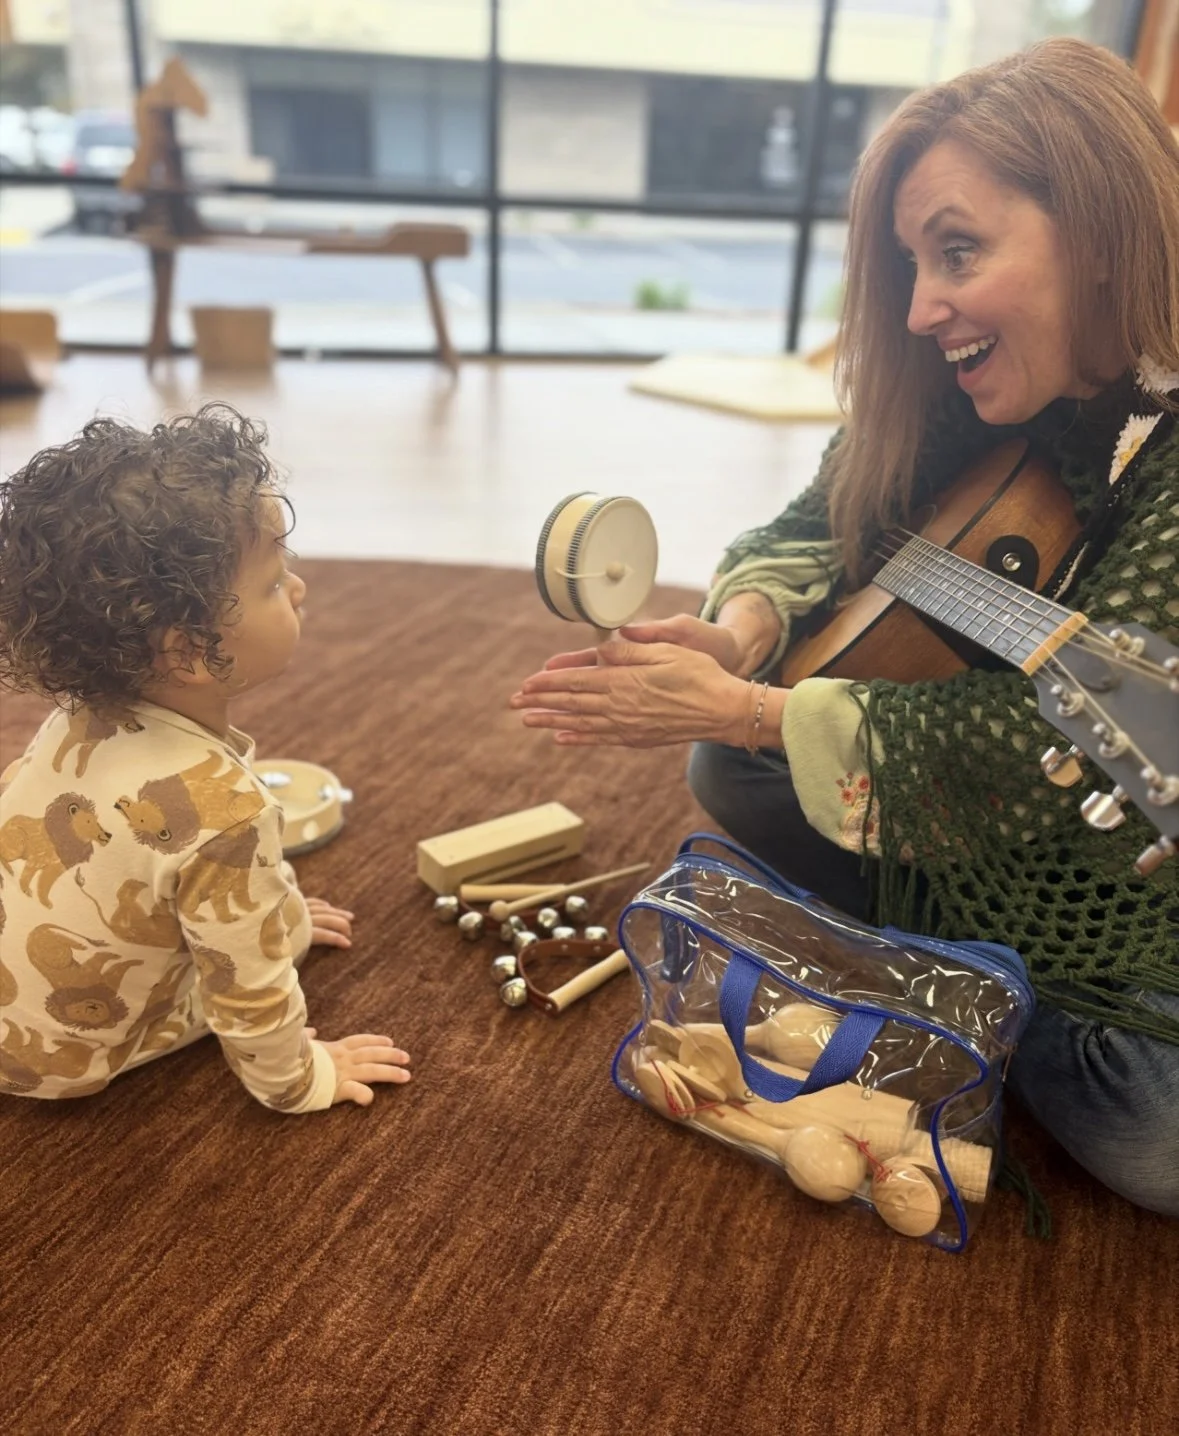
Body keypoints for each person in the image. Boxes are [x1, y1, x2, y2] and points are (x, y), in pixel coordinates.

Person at [511, 39, 1179, 1215]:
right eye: (912, 261)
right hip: (1002, 802)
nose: (920, 308)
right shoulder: (974, 393)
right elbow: (822, 518)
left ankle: (938, 966)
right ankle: (968, 968)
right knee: (730, 768)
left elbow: (1065, 738)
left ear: (1098, 226)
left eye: (958, 251)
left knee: (1151, 1129)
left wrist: (757, 709)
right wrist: (741, 635)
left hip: (1137, 862)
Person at [0, 404, 411, 1112]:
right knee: (258, 943)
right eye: (274, 583)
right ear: (189, 652)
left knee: (247, 913)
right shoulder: (225, 811)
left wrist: (272, 909)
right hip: (59, 1058)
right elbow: (249, 991)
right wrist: (302, 1078)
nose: (299, 588)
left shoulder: (73, 721)